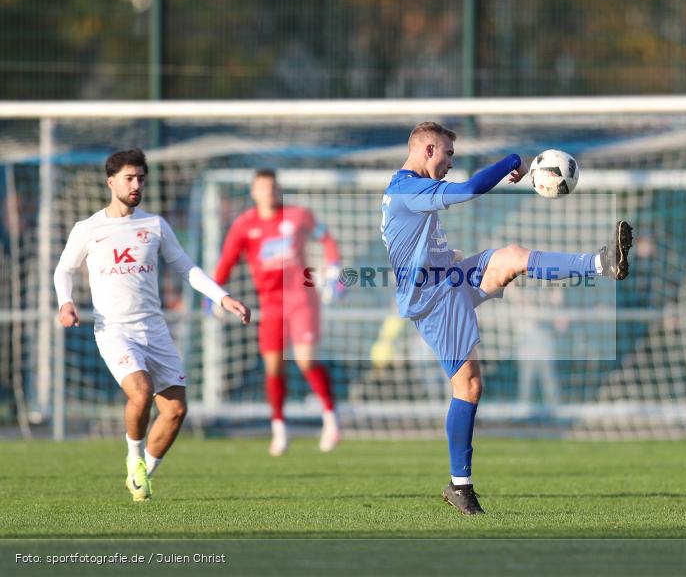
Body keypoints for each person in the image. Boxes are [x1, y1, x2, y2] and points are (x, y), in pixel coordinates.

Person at [380, 122, 632, 514]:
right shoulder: (406, 189)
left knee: (513, 256)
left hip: (449, 278)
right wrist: (512, 162)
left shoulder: (408, 187)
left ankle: (602, 262)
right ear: (428, 149)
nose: (450, 163)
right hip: (433, 299)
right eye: (447, 154)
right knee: (469, 387)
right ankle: (459, 485)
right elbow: (468, 191)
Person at [54, 148, 250, 502]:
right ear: (110, 181)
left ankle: (141, 474)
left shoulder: (154, 225)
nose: (136, 185)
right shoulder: (88, 229)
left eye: (141, 178)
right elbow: (64, 268)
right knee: (141, 391)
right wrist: (65, 302)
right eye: (129, 178)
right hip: (114, 328)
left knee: (175, 411)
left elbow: (186, 268)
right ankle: (133, 460)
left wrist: (222, 297)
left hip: (154, 329)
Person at [214, 169, 343, 456]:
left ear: (279, 189)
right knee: (273, 366)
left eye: (273, 187)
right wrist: (215, 294)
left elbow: (327, 239)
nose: (268, 193)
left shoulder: (298, 215)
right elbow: (227, 261)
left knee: (306, 360)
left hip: (301, 298)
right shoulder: (244, 225)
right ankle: (279, 428)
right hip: (270, 304)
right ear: (253, 192)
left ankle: (331, 418)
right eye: (262, 188)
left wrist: (334, 268)